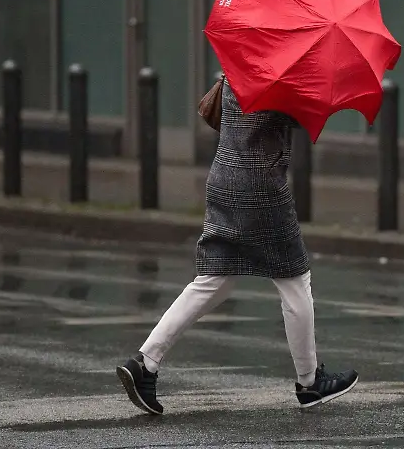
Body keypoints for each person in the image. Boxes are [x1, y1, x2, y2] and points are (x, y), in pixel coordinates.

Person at [116, 77, 358, 415]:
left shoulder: (238, 63)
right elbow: (305, 118)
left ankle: (145, 362)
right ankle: (309, 382)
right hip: (261, 189)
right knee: (294, 280)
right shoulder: (280, 76)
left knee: (215, 279)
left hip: (223, 179)